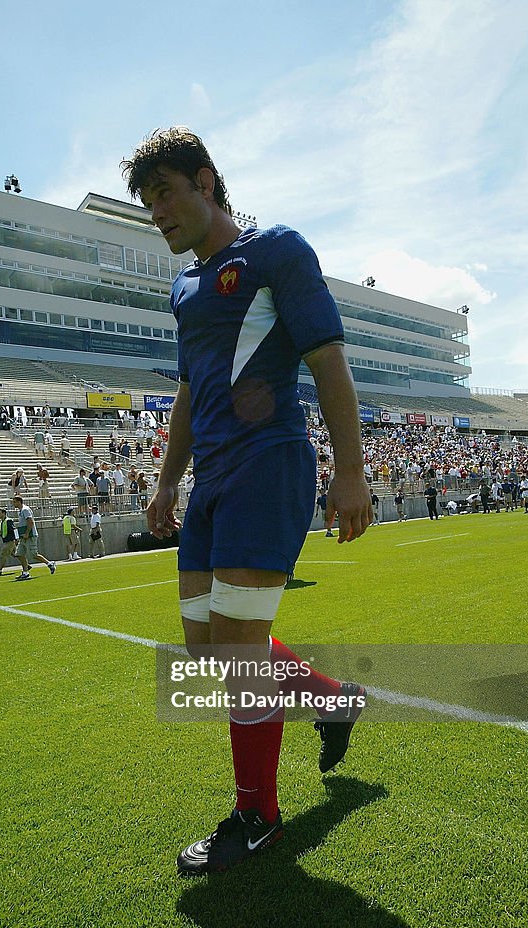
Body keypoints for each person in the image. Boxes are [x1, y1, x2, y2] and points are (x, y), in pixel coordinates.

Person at [122, 127, 372, 876]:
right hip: (211, 481)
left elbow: (327, 357)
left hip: (269, 465)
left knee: (235, 654)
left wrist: (351, 471)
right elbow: (192, 390)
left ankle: (256, 815)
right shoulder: (183, 287)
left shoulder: (275, 251)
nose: (157, 211)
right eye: (147, 202)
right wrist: (168, 478)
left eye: (164, 192)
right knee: (209, 653)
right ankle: (333, 700)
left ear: (204, 181)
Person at [11, 496, 56, 581]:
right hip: (23, 537)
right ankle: (25, 573)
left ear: (19, 502)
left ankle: (50, 564)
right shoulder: (20, 511)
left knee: (33, 554)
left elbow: (30, 522)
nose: (13, 504)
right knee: (19, 554)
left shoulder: (25, 510)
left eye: (14, 502)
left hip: (30, 536)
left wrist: (27, 533)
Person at [0, 508, 17, 574]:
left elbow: (14, 529)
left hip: (10, 541)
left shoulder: (8, 521)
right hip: (6, 541)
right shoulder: (1, 522)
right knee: (15, 554)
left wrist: (17, 539)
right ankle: (26, 565)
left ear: (4, 513)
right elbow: (0, 532)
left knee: (3, 555)